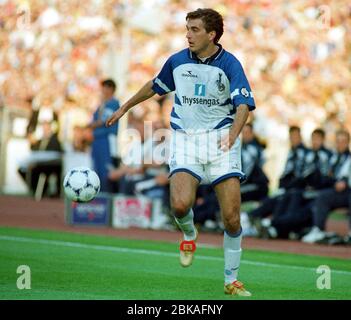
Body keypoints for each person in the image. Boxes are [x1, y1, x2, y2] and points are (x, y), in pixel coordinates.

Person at [107, 8, 255, 296]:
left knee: (232, 217)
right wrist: (125, 107)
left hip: (221, 142)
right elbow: (154, 86)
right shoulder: (177, 61)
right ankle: (189, 234)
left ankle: (230, 280)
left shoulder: (230, 64)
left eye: (195, 29)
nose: (188, 34)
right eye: (187, 28)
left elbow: (242, 106)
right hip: (186, 141)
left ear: (211, 34)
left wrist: (233, 135)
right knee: (178, 205)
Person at [302, 129, 351, 244]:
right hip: (336, 190)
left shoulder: (348, 159)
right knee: (322, 196)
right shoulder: (333, 158)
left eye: (343, 141)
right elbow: (326, 178)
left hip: (347, 191)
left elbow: (341, 179)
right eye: (338, 141)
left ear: (348, 142)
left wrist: (341, 181)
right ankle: (318, 229)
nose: (340, 144)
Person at [89, 79, 120, 192]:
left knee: (105, 170)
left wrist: (92, 125)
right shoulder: (103, 104)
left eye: (105, 88)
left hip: (106, 139)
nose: (102, 90)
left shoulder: (113, 103)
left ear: (111, 89)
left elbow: (104, 120)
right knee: (96, 169)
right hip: (98, 139)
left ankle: (106, 197)